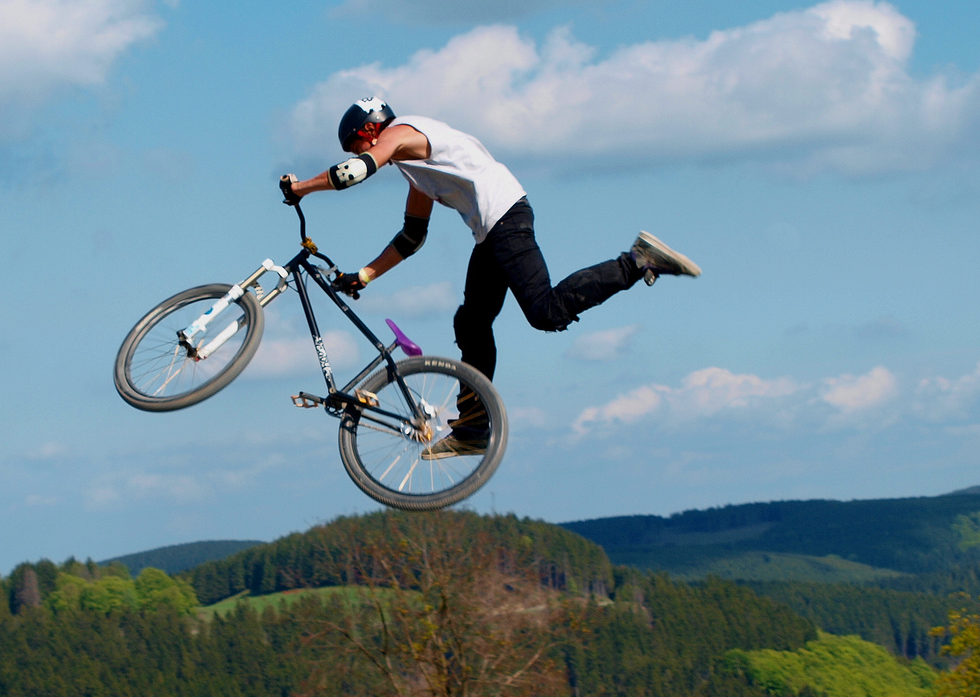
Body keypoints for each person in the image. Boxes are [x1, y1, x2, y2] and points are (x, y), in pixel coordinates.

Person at [279, 98, 701, 457]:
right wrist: (365, 275)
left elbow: (356, 171)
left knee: (545, 312)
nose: (359, 151)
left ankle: (636, 261)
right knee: (472, 322)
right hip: (491, 230)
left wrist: (302, 189)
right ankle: (473, 429)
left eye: (356, 143)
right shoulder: (417, 169)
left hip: (505, 220)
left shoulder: (402, 133)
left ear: (369, 129)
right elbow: (412, 237)